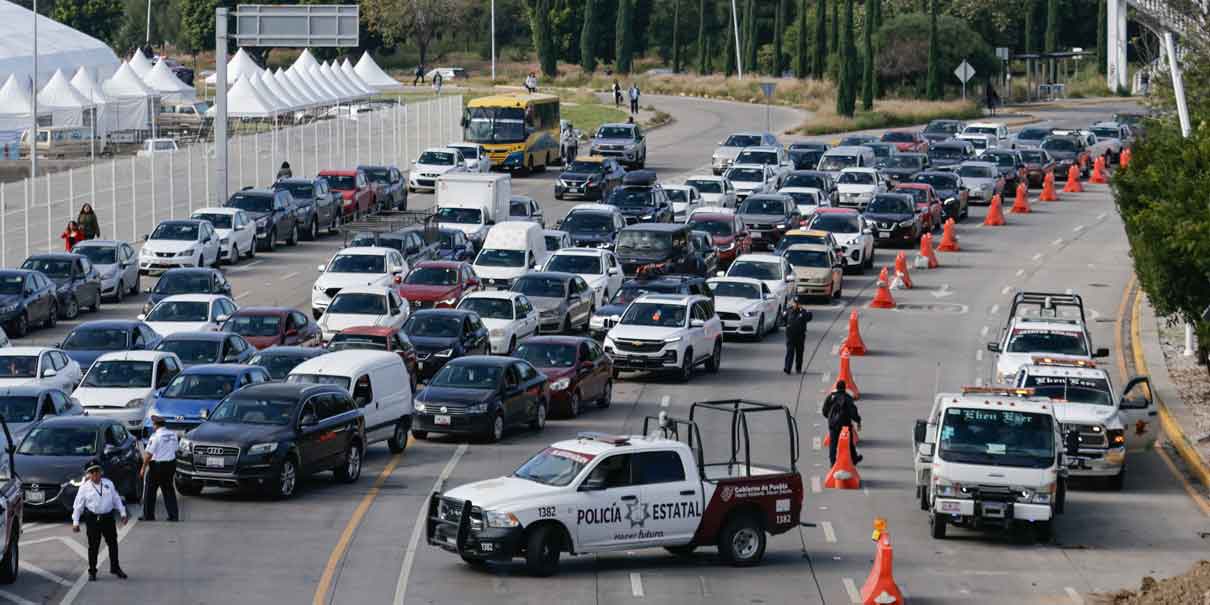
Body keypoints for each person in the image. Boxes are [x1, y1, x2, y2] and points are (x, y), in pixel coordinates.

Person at [71, 464, 128, 581]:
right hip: (92, 519)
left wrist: (123, 513)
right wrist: (75, 522)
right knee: (93, 546)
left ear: (101, 472)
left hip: (107, 517)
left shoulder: (108, 483)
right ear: (89, 474)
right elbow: (78, 505)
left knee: (112, 543)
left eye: (97, 472)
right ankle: (92, 571)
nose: (95, 475)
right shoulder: (84, 488)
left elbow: (116, 498)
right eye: (92, 472)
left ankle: (115, 568)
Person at [141, 415, 179, 522]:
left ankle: (148, 515)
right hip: (170, 465)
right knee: (169, 490)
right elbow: (176, 449)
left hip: (157, 466)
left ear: (155, 425)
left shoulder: (155, 437)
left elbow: (148, 454)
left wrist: (143, 468)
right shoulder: (173, 434)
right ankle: (173, 515)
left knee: (150, 491)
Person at [822, 381, 862, 465]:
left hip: (833, 424)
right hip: (845, 424)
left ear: (836, 387)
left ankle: (833, 463)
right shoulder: (847, 397)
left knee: (833, 443)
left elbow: (824, 410)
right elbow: (853, 411)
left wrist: (830, 418)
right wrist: (858, 420)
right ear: (844, 388)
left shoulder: (831, 397)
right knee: (849, 442)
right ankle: (854, 459)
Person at [783, 299, 812, 374]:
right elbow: (784, 319)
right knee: (790, 351)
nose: (795, 305)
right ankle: (787, 368)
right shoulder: (788, 311)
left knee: (799, 352)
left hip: (800, 336)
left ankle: (798, 368)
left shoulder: (803, 312)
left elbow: (809, 317)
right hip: (790, 335)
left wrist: (803, 310)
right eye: (794, 303)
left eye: (797, 303)